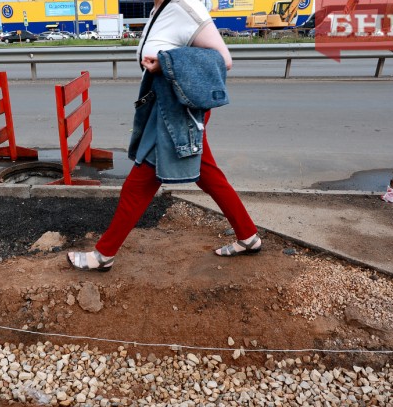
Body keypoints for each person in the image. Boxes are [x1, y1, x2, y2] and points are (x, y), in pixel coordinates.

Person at [67, 0, 261, 272]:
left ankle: (103, 255)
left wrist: (167, 63)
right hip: (166, 109)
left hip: (176, 114)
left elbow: (223, 60)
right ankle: (248, 236)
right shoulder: (159, 8)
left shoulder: (186, 6)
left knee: (138, 185)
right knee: (209, 175)